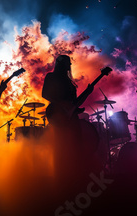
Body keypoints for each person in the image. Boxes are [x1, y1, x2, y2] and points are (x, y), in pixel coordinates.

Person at [42, 55, 94, 183]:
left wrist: (87, 92)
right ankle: (60, 176)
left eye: (68, 64)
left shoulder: (70, 82)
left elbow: (75, 103)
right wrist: (61, 103)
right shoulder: (51, 77)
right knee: (60, 144)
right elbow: (45, 94)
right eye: (66, 63)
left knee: (76, 144)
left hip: (70, 117)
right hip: (57, 114)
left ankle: (75, 176)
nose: (68, 66)